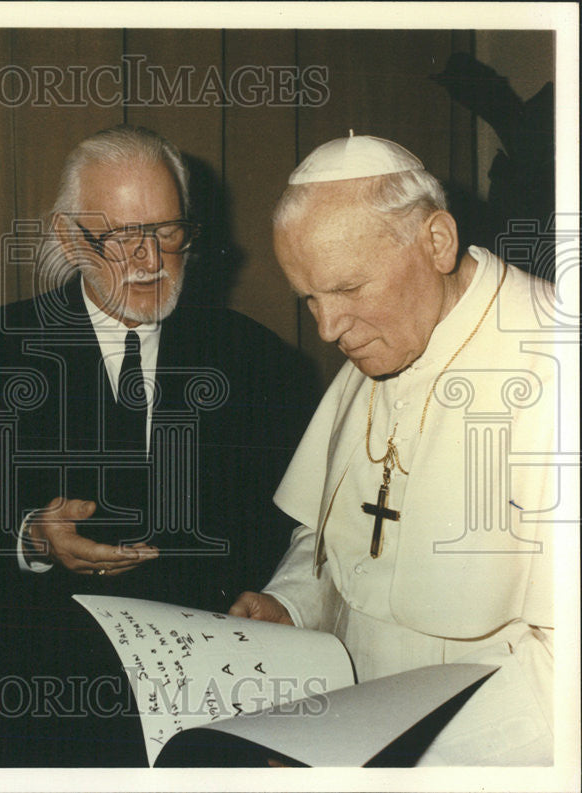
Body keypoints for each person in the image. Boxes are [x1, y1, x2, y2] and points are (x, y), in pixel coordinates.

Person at [0, 124, 315, 766]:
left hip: (213, 709)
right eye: (117, 237)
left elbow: (295, 528)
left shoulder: (259, 360)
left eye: (167, 232)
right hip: (47, 711)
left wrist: (281, 599)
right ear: (65, 239)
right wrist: (31, 536)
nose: (148, 261)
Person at [229, 134, 558, 765]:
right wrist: (294, 605)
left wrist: (396, 757)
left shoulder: (553, 365)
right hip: (350, 728)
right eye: (310, 299)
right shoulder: (387, 336)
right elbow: (342, 531)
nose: (327, 330)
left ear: (436, 242)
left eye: (348, 288)